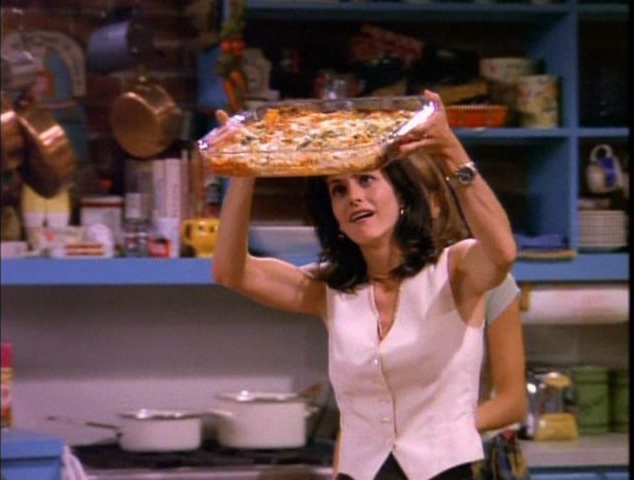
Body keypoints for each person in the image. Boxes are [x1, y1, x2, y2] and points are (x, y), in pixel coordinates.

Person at [212, 90, 517, 480]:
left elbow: (502, 252)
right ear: (335, 217)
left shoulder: (453, 270)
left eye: (366, 180)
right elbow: (230, 271)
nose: (354, 197)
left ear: (402, 196)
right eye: (339, 190)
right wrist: (244, 172)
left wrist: (450, 150)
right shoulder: (332, 289)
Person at [411, 156, 527, 433]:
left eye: (410, 197)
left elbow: (512, 402)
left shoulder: (482, 278)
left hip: (471, 448)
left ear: (436, 203)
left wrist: (439, 434)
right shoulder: (369, 285)